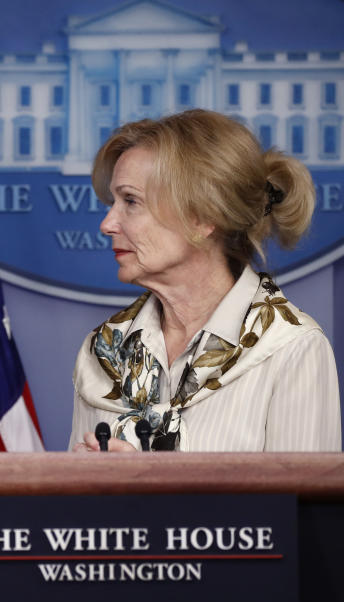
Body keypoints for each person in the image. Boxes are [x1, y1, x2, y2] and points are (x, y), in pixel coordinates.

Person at [70, 109, 341, 453]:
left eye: (131, 201)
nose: (107, 224)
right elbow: (71, 500)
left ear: (202, 218)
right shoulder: (102, 350)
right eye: (113, 202)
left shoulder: (290, 348)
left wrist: (150, 489)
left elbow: (298, 507)